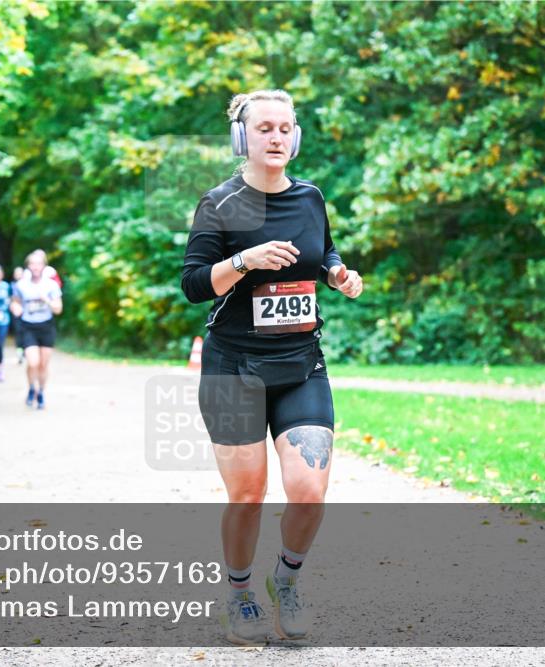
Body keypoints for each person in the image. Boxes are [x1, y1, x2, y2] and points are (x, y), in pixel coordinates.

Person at [180, 90, 363, 645]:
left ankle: (286, 580)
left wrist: (336, 273)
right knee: (248, 494)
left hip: (301, 364)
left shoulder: (310, 197)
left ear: (296, 136)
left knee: (308, 489)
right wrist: (242, 261)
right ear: (243, 137)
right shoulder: (219, 203)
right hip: (233, 366)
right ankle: (238, 595)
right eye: (264, 128)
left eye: (286, 127)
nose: (277, 137)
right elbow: (192, 285)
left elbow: (323, 250)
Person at [11, 250, 62, 409]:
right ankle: (31, 388)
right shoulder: (21, 285)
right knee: (33, 362)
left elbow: (58, 309)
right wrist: (16, 308)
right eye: (32, 264)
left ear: (44, 266)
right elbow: (15, 302)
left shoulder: (51, 285)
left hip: (46, 326)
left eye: (38, 264)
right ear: (28, 266)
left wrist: (46, 299)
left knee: (43, 365)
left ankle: (41, 393)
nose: (35, 267)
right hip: (28, 327)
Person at [11, 266, 26, 364]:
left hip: (27, 314)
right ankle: (20, 353)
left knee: (26, 333)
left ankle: (26, 352)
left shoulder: (28, 285)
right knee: (18, 332)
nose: (18, 275)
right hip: (16, 314)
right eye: (17, 274)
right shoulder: (11, 286)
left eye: (20, 273)